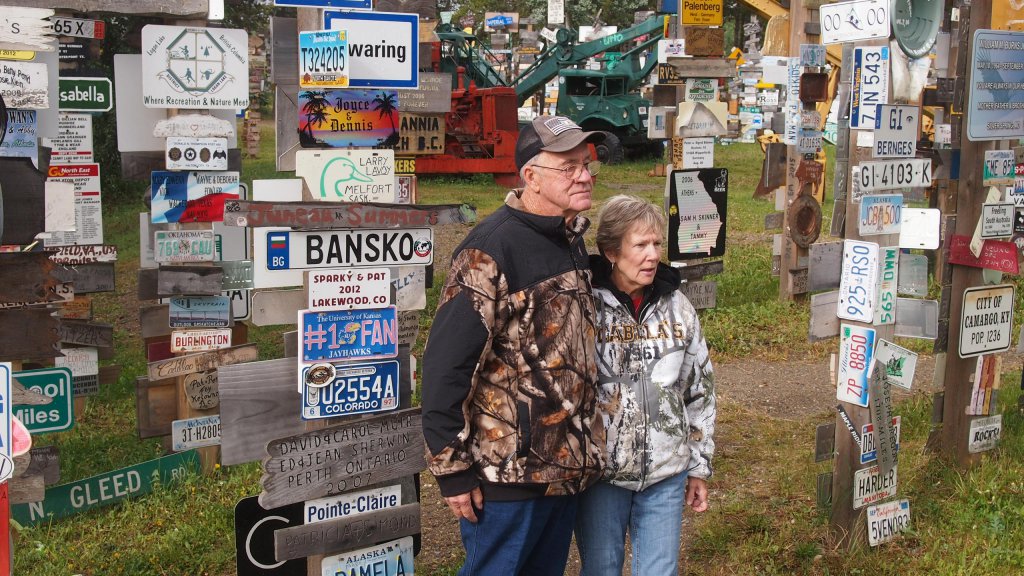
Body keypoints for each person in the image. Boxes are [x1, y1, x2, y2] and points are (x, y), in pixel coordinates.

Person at [421, 116, 607, 575]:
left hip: (562, 469)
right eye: (569, 167)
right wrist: (451, 470)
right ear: (530, 177)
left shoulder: (568, 238)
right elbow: (446, 366)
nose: (584, 175)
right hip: (507, 476)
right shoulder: (489, 250)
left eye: (586, 164)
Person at [575, 195, 717, 575]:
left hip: (666, 473)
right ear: (611, 252)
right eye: (640, 245)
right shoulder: (585, 306)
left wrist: (698, 466)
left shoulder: (678, 307)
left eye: (656, 244)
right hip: (602, 475)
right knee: (601, 569)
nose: (653, 255)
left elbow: (699, 391)